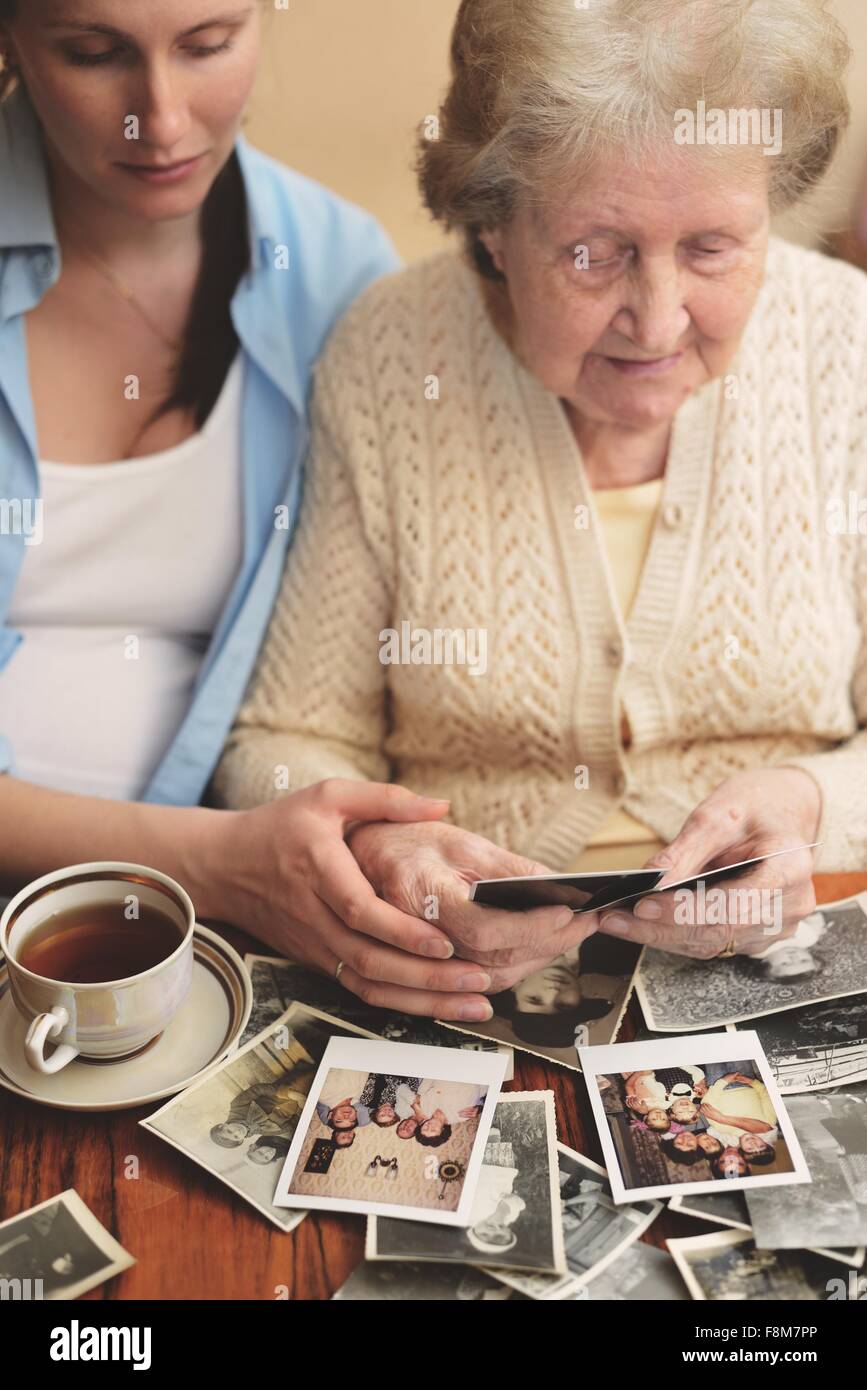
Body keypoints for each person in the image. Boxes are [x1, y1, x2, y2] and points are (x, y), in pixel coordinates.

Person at [214, 0, 862, 1008]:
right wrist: (382, 842)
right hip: (464, 992)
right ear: (493, 225)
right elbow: (276, 745)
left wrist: (814, 808)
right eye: (595, 251)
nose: (657, 318)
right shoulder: (393, 357)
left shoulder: (845, 345)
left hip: (795, 970)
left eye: (712, 247)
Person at [0, 0, 573, 1025]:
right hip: (174, 891)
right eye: (93, 54)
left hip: (212, 944)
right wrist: (216, 863)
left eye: (209, 44)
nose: (163, 121)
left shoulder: (338, 277)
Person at [700, 1073, 779, 1148]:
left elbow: (706, 1106)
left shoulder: (724, 1131)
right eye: (761, 1146)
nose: (753, 1144)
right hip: (746, 1082)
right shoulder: (769, 1122)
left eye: (750, 1149)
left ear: (742, 1149)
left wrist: (723, 1081)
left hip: (717, 1081)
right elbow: (766, 1097)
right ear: (766, 1143)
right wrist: (753, 1082)